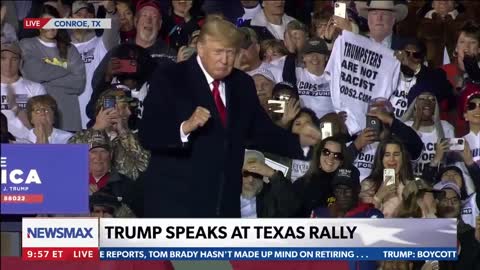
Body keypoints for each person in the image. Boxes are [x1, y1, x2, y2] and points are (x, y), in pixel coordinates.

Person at [139, 17, 321, 218]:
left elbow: (262, 132)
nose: (225, 60)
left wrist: (301, 142)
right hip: (175, 206)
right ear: (200, 48)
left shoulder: (242, 84)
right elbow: (149, 134)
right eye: (218, 52)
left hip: (223, 207)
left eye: (230, 53)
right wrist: (184, 128)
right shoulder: (171, 77)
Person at [19, 5, 86, 132]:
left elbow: (79, 83)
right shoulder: (26, 45)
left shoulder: (70, 49)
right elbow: (33, 73)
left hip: (68, 119)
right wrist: (66, 72)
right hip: (38, 120)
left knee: (71, 152)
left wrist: (44, 80)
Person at [91, 0, 177, 97]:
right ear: (136, 21)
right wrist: (107, 76)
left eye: (154, 17)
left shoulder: (170, 55)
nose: (149, 21)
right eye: (144, 16)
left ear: (160, 24)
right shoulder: (119, 51)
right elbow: (96, 83)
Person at [70, 88, 150, 181]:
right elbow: (68, 165)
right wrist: (97, 129)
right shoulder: (81, 137)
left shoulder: (132, 138)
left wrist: (123, 133)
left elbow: (143, 169)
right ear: (107, 110)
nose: (129, 113)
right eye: (124, 107)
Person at [70, 1, 120, 129]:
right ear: (70, 19)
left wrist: (111, 11)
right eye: (79, 14)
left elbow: (112, 26)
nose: (84, 18)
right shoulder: (61, 48)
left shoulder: (103, 43)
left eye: (88, 14)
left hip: (97, 120)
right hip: (68, 121)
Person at [351, 98, 423, 181]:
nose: (378, 118)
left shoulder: (401, 143)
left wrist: (391, 121)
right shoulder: (357, 139)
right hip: (359, 191)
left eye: (382, 114)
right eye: (373, 116)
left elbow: (416, 145)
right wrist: (356, 145)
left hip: (393, 190)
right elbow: (339, 163)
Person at [401, 81, 455, 176]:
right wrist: (416, 124)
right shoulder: (404, 127)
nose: (427, 102)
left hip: (438, 183)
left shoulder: (447, 128)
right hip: (409, 183)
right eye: (422, 99)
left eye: (432, 99)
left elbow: (451, 162)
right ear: (414, 104)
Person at [293, 137, 350, 217]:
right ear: (319, 155)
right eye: (326, 152)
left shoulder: (347, 188)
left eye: (337, 155)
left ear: (341, 161)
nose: (331, 158)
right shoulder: (302, 184)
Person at [1, 40, 46, 141]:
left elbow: (43, 124)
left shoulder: (36, 88)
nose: (8, 64)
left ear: (21, 62)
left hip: (28, 146)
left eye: (14, 59)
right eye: (3, 58)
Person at [360, 138, 415, 217]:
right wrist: (379, 196)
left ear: (402, 158)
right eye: (387, 155)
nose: (392, 159)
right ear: (380, 159)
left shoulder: (411, 186)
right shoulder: (368, 185)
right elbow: (364, 216)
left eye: (396, 154)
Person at [240, 150, 300, 218]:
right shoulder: (227, 193)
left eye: (256, 174)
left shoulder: (271, 193)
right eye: (246, 174)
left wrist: (273, 174)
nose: (251, 180)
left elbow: (291, 208)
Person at [417, 0, 469, 68]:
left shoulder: (466, 22)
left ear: (455, 3)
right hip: (429, 73)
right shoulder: (418, 23)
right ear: (432, 4)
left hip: (460, 74)